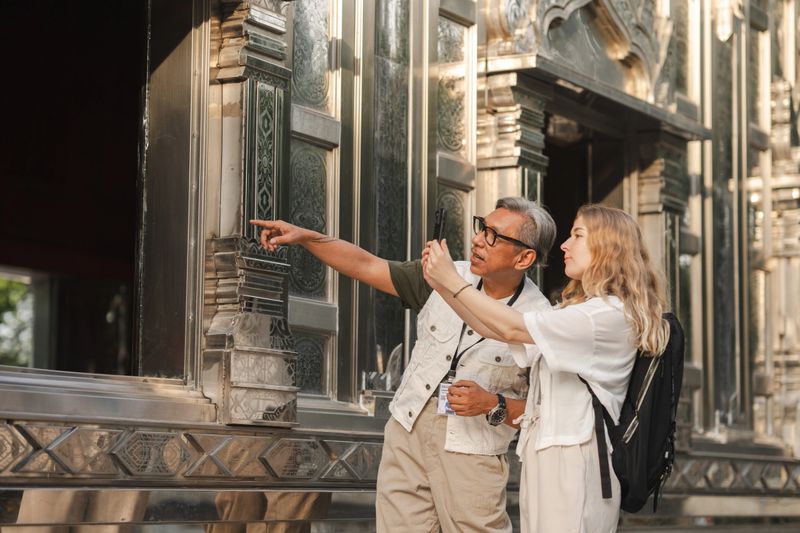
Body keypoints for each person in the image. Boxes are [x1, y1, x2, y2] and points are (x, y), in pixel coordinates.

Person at [250, 197, 556, 533]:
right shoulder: (446, 274)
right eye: (481, 227)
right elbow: (367, 265)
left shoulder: (542, 321)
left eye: (494, 236)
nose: (479, 239)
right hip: (407, 432)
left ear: (525, 256)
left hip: (471, 453)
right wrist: (306, 237)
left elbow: (546, 413)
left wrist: (493, 403)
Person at [422, 204, 670, 533]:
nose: (564, 245)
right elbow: (493, 327)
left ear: (608, 247)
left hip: (575, 459)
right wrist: (442, 284)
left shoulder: (604, 316)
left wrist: (452, 280)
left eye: (578, 235)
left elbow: (511, 328)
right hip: (549, 453)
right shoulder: (583, 310)